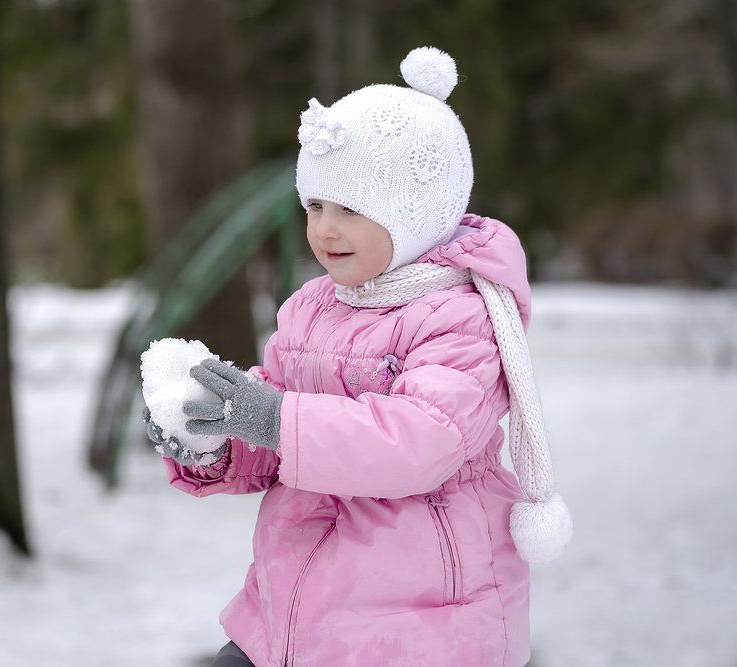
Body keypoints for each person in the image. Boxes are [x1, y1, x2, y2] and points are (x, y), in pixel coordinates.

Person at [141, 45, 572, 667]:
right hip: (288, 611)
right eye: (314, 206)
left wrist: (275, 418)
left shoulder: (460, 316)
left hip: (416, 622)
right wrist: (216, 438)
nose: (324, 229)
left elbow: (423, 440)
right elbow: (278, 435)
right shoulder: (310, 308)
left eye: (350, 208)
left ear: (417, 213)